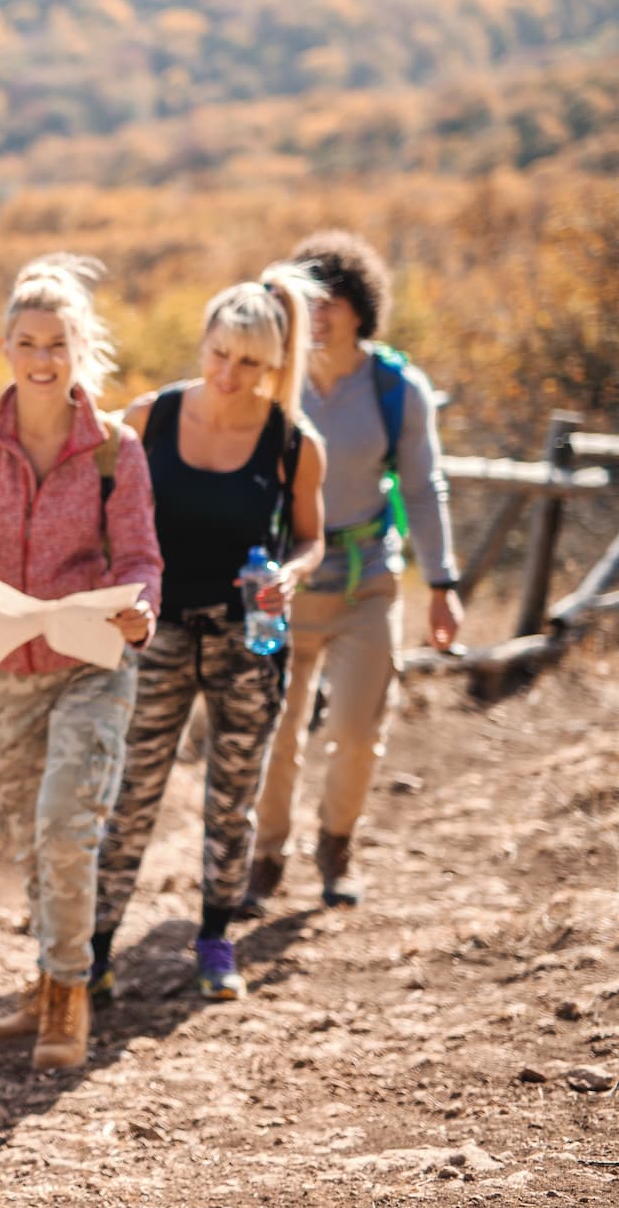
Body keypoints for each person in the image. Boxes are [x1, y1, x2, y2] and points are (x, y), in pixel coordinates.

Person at [0, 255, 162, 1071]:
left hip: (92, 660)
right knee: (25, 827)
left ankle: (68, 997)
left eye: (58, 342)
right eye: (28, 342)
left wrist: (142, 607)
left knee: (65, 822)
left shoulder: (116, 449)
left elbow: (142, 557)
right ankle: (46, 976)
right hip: (2, 661)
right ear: (5, 346)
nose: (43, 357)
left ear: (80, 347)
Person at [91, 266, 328, 1003]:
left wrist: (292, 574)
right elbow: (103, 514)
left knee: (233, 797)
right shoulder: (149, 418)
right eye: (219, 353)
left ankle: (216, 941)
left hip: (247, 641)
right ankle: (93, 949)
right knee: (130, 791)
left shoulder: (294, 442)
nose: (229, 373)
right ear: (204, 343)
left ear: (276, 366)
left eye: (250, 362)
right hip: (152, 634)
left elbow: (313, 539)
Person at [247, 231, 462, 912]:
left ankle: (336, 843)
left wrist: (443, 585)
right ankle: (264, 853)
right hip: (283, 580)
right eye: (309, 301)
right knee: (274, 732)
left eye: (332, 300)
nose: (320, 314)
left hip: (367, 577)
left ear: (360, 307)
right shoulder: (270, 379)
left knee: (360, 730)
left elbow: (425, 488)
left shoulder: (398, 388)